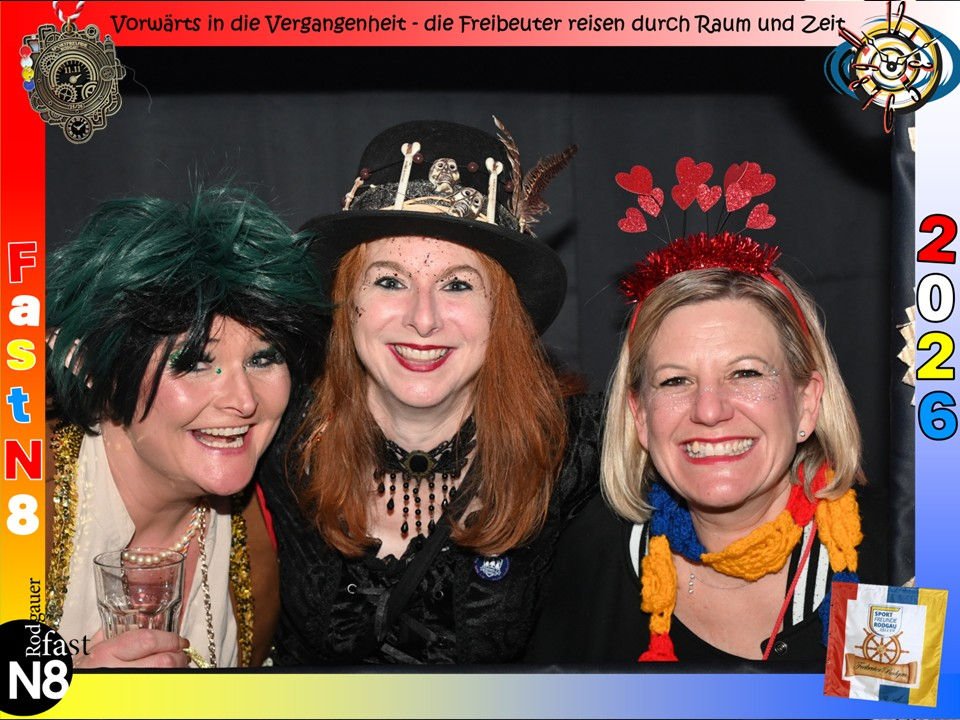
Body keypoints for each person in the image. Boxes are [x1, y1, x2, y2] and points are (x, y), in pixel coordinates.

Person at [260, 119, 600, 665]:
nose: (423, 319)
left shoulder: (578, 454)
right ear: (347, 302)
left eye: (458, 284)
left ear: (501, 314)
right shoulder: (276, 436)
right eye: (390, 281)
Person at [527, 159, 879, 668]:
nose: (709, 410)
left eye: (746, 373)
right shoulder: (592, 557)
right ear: (639, 416)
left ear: (807, 402)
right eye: (675, 381)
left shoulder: (897, 554)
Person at [45, 185, 328, 668]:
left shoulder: (282, 510)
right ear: (91, 365)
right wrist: (67, 689)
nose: (243, 401)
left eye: (263, 359)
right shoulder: (21, 496)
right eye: (194, 362)